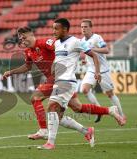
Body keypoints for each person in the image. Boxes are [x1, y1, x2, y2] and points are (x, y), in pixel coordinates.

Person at [2, 27, 123, 148]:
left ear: (31, 35)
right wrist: (11, 72)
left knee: (35, 98)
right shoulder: (29, 51)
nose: (22, 40)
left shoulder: (45, 43)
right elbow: (27, 67)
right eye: (20, 38)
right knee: (76, 108)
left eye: (24, 37)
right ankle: (106, 114)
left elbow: (62, 48)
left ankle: (44, 130)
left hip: (60, 77)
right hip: (57, 80)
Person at [37, 18, 124, 150]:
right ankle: (87, 131)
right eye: (52, 28)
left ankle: (50, 143)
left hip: (67, 82)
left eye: (56, 28)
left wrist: (97, 72)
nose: (53, 31)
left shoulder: (76, 42)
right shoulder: (57, 44)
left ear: (65, 29)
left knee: (51, 107)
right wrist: (52, 72)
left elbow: (93, 55)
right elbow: (58, 59)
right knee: (59, 117)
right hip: (58, 81)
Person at [80, 19, 126, 123]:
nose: (83, 29)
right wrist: (85, 61)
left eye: (86, 27)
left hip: (103, 70)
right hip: (91, 70)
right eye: (82, 27)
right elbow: (88, 55)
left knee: (110, 94)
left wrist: (93, 49)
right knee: (84, 90)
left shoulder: (97, 38)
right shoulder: (82, 41)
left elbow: (106, 50)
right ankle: (99, 111)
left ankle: (121, 115)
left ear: (91, 28)